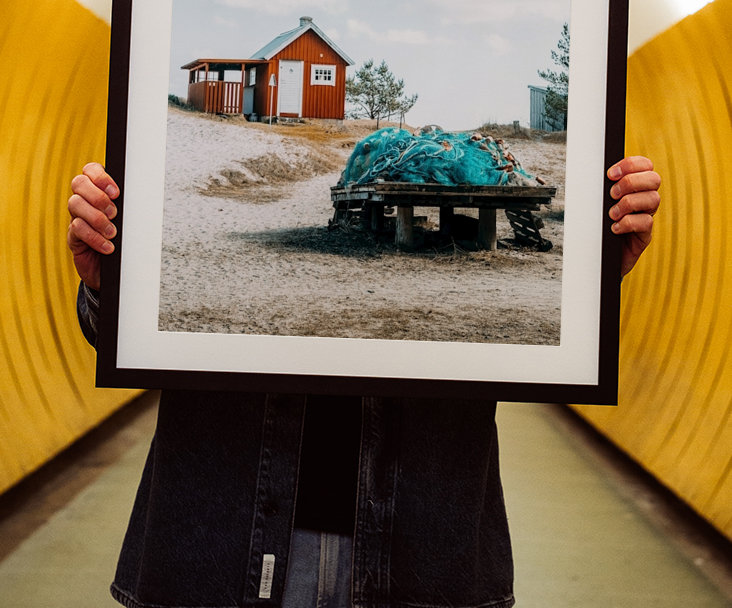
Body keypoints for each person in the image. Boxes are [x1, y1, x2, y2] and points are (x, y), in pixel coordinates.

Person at [68, 156, 660, 608]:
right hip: (218, 545)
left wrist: (592, 285)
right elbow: (118, 337)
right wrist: (108, 288)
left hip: (424, 551)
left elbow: (552, 345)